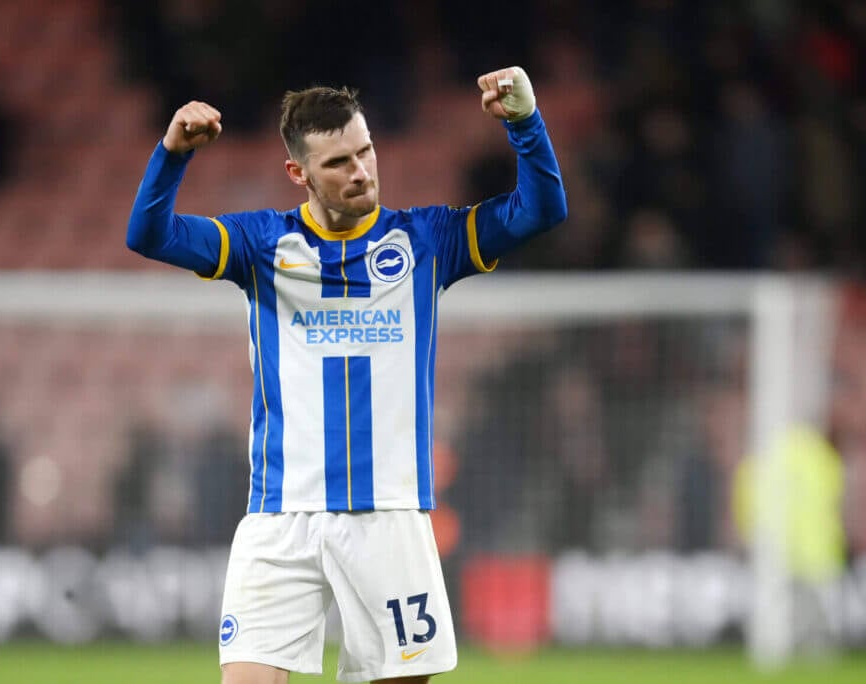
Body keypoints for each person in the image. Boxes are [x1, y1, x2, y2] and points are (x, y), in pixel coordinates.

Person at [126, 66, 567, 684]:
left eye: (365, 151)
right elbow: (149, 235)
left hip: (388, 515)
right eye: (338, 162)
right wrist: (172, 154)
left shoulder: (425, 241)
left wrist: (524, 121)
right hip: (281, 516)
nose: (360, 171)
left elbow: (541, 210)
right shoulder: (261, 245)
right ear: (298, 173)